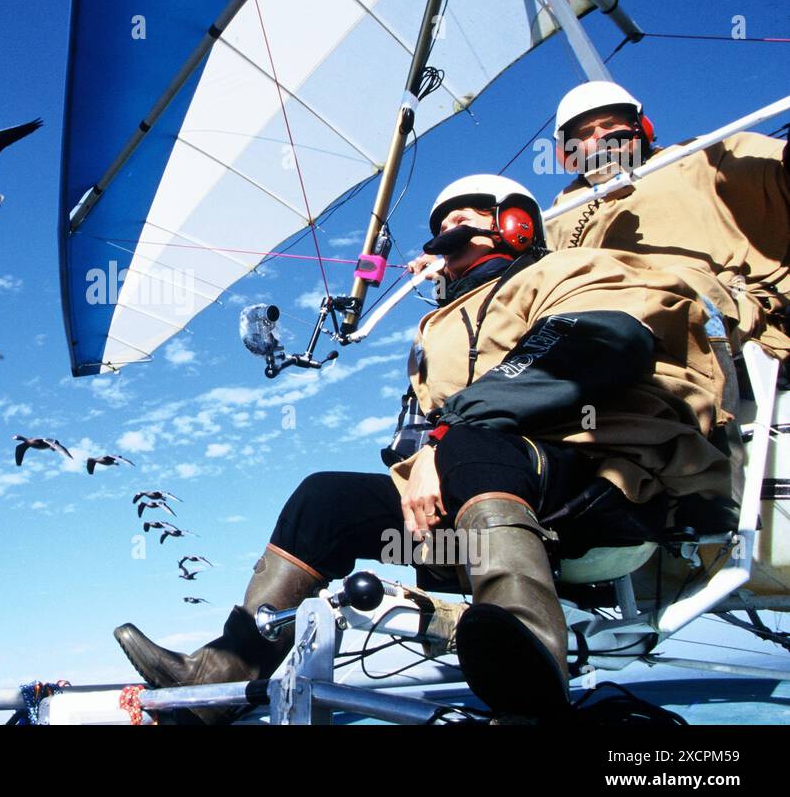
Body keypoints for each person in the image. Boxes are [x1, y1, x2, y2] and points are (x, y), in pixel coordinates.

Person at [114, 175, 731, 722]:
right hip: (482, 508)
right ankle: (220, 675)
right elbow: (434, 437)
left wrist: (450, 434)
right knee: (325, 498)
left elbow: (604, 339)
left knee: (473, 445)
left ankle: (529, 655)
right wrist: (435, 447)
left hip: (607, 488)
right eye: (437, 227)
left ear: (514, 224)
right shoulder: (437, 326)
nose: (443, 233)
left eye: (462, 220)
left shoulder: (568, 271)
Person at [545, 80, 790, 360]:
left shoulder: (698, 156)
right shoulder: (558, 213)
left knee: (663, 292)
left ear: (641, 128)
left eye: (611, 125)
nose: (600, 137)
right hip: (591, 322)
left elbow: (773, 169)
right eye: (585, 133)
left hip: (699, 304)